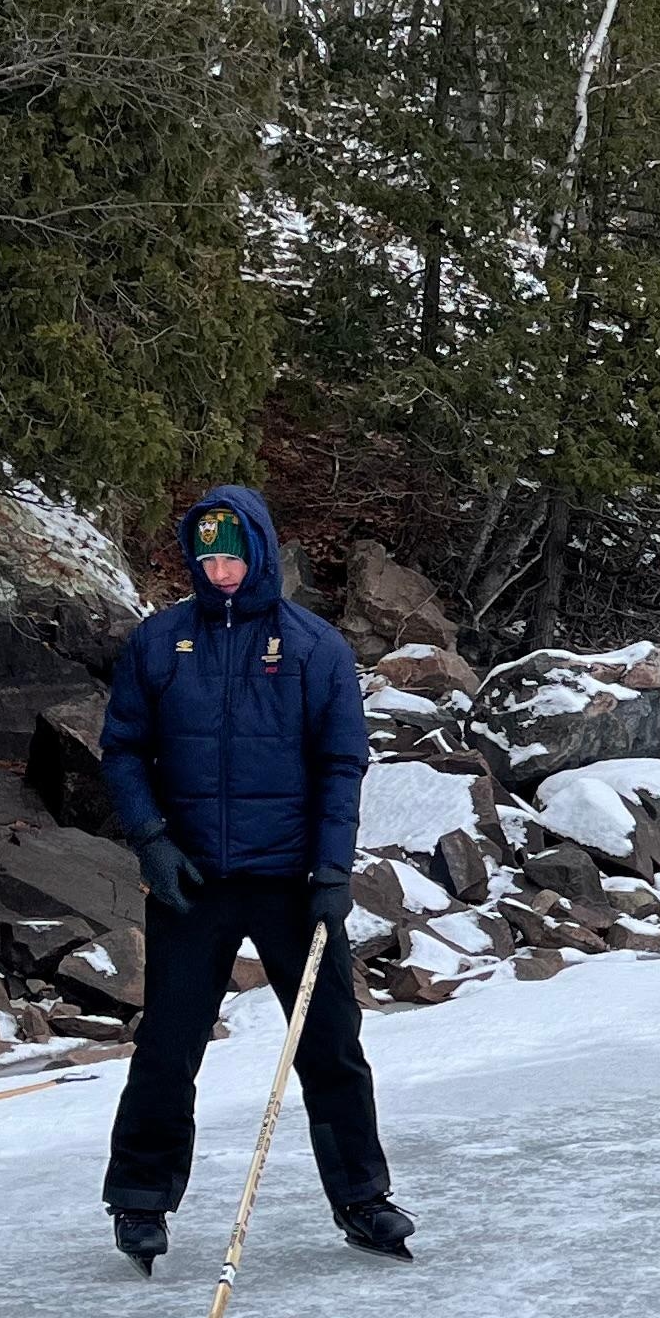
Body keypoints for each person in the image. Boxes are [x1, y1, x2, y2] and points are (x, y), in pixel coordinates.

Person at [95, 486, 412, 1273]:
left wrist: (333, 869)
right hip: (191, 878)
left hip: (292, 881)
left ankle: (363, 1198)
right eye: (208, 559)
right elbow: (124, 749)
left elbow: (342, 763)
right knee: (167, 1046)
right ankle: (140, 1200)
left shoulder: (313, 647)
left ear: (263, 552)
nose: (223, 572)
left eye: (235, 556)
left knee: (331, 1045)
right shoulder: (160, 642)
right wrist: (151, 840)